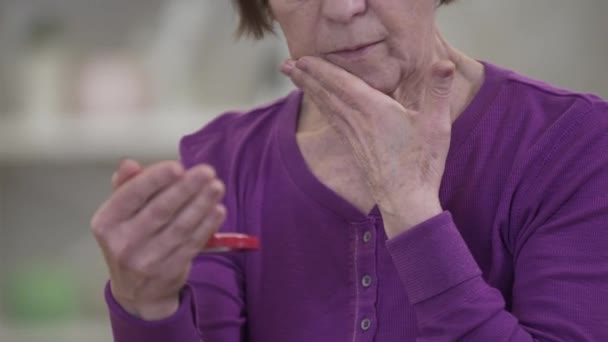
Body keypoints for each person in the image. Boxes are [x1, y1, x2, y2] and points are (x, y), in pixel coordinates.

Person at [91, 0, 608, 341]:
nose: (342, 7)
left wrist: (410, 206)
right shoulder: (222, 161)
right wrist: (148, 304)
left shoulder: (573, 142)